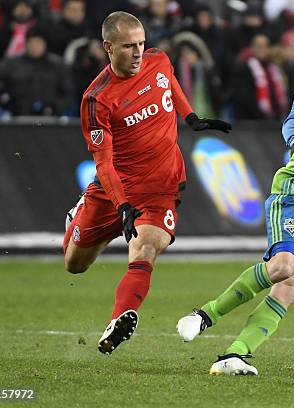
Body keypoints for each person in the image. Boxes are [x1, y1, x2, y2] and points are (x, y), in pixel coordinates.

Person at [177, 41, 294, 375]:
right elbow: (292, 122)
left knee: (291, 284)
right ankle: (203, 315)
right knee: (283, 265)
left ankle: (235, 354)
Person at [62, 11, 231, 355]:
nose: (139, 52)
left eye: (141, 44)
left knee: (147, 247)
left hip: (160, 186)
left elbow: (168, 80)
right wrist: (121, 204)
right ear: (108, 48)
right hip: (114, 190)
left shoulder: (158, 60)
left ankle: (120, 317)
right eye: (129, 46)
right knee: (75, 264)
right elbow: (104, 163)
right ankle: (79, 213)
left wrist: (191, 117)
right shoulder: (97, 99)